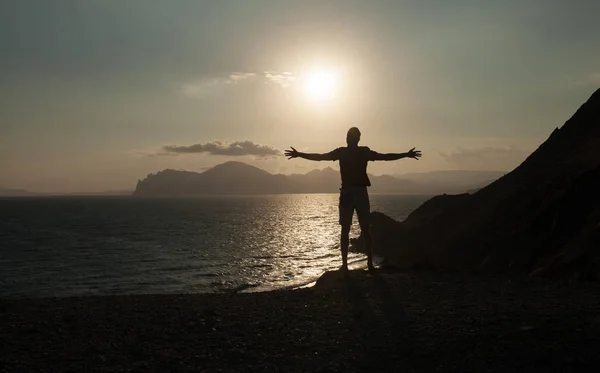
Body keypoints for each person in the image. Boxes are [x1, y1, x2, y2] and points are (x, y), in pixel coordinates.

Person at [284, 127, 421, 272]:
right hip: (360, 192)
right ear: (358, 139)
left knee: (347, 229)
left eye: (348, 136)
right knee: (365, 229)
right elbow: (385, 157)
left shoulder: (343, 152)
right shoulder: (363, 152)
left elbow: (321, 157)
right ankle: (367, 264)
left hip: (348, 192)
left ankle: (345, 265)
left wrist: (299, 154)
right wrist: (406, 154)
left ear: (349, 138)